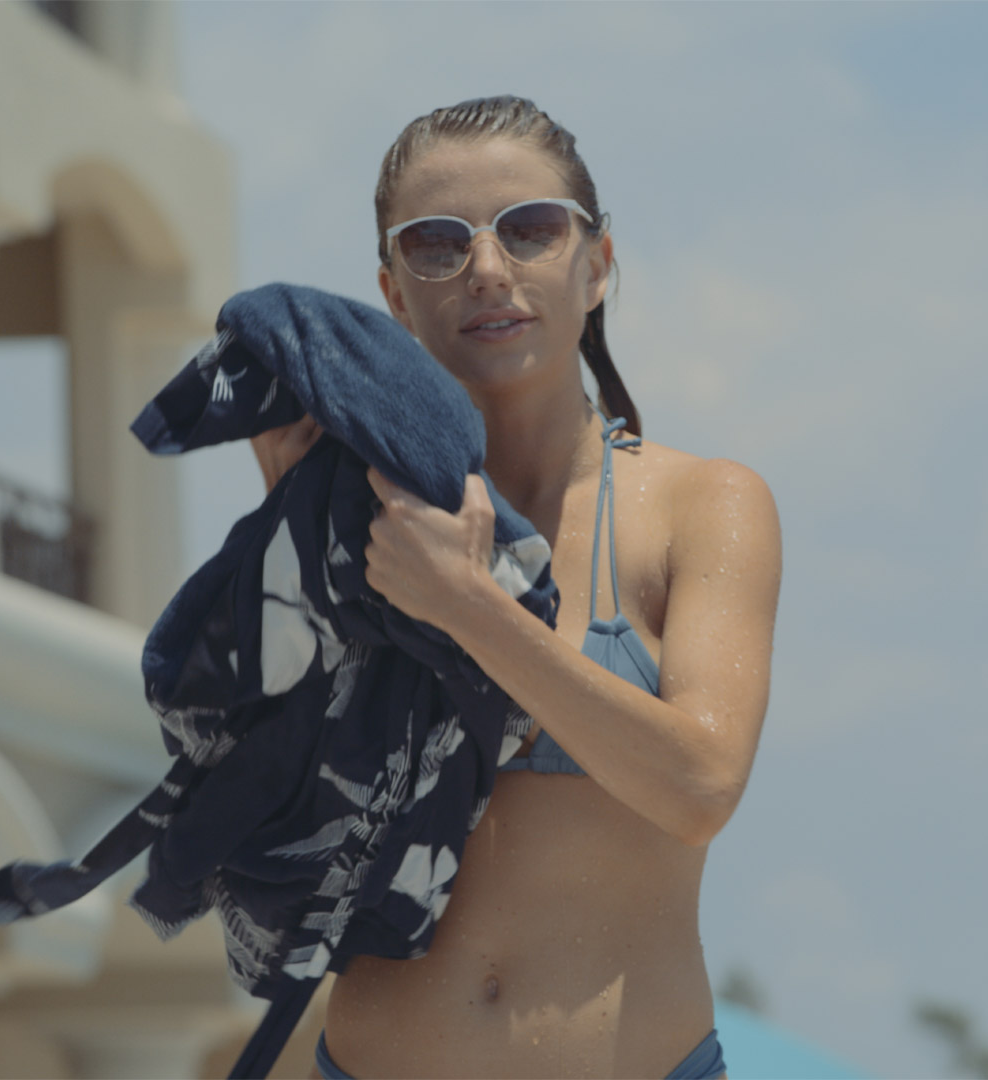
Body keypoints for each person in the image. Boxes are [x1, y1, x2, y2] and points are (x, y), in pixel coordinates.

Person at [247, 95, 781, 1080]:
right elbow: (284, 839)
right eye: (436, 244)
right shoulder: (353, 517)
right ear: (394, 291)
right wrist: (297, 535)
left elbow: (701, 786)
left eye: (530, 230)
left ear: (599, 263)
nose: (487, 269)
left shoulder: (704, 505)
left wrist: (468, 609)